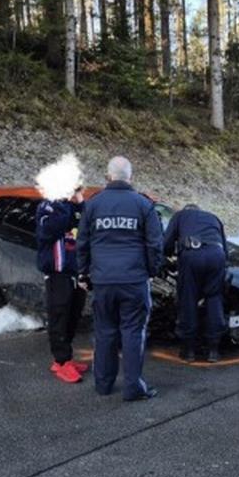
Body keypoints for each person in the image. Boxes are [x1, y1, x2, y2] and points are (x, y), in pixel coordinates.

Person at [77, 156, 163, 401]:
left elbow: (82, 242)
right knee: (133, 332)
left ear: (108, 176)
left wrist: (83, 272)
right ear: (130, 177)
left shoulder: (93, 205)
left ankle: (103, 384)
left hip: (103, 281)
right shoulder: (143, 205)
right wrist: (151, 270)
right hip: (134, 280)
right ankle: (133, 387)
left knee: (105, 332)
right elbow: (154, 244)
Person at [35, 185, 89, 383]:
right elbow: (52, 229)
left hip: (75, 271)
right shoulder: (47, 207)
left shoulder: (70, 207)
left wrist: (81, 201)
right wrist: (66, 202)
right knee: (59, 316)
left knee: (73, 316)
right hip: (57, 272)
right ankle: (60, 361)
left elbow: (86, 221)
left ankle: (66, 358)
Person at [163, 203, 228, 363]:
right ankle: (213, 350)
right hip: (216, 255)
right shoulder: (213, 217)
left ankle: (189, 350)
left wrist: (167, 258)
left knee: (188, 300)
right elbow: (225, 249)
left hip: (192, 255)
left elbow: (166, 243)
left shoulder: (179, 216)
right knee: (214, 298)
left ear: (186, 210)